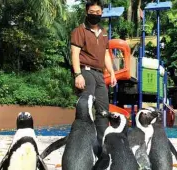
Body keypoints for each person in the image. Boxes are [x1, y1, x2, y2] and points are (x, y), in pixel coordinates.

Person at [70, 0, 117, 152]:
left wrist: (112, 73)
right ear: (86, 13)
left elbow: (105, 55)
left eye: (98, 13)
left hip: (99, 74)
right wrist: (78, 74)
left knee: (103, 110)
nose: (95, 15)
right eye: (92, 12)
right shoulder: (80, 31)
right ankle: (82, 143)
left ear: (101, 13)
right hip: (86, 72)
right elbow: (75, 53)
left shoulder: (103, 33)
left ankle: (101, 145)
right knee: (86, 108)